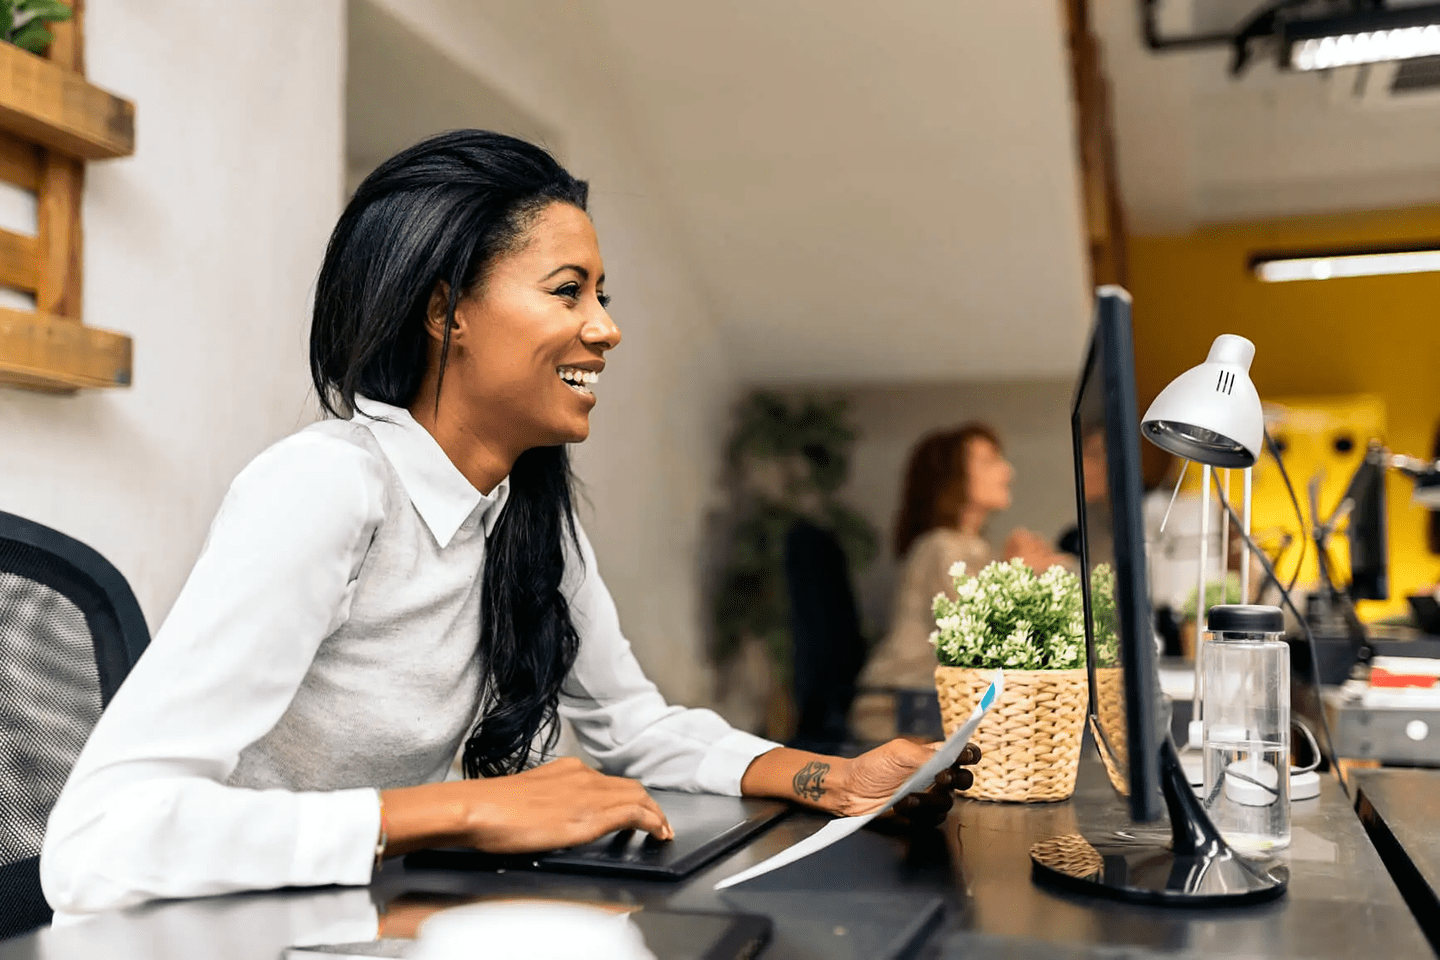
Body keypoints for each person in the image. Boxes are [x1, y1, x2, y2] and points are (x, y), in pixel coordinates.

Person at [40, 131, 979, 917]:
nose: (605, 328)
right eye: (568, 291)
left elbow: (632, 724)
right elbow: (98, 839)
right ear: (445, 311)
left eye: (602, 296)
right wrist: (461, 811)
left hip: (371, 919)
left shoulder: (527, 516)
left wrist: (831, 779)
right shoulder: (325, 488)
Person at [853, 424, 1067, 740]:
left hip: (927, 707)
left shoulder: (972, 548)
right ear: (952, 477)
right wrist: (1018, 573)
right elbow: (978, 639)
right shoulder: (940, 547)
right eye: (989, 461)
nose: (1007, 471)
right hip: (898, 711)